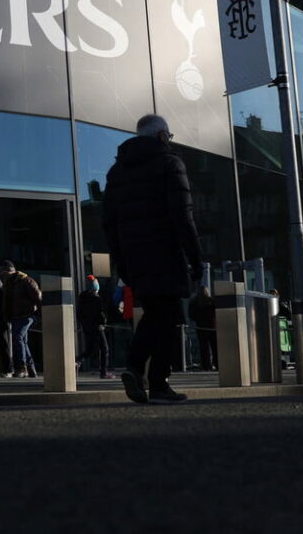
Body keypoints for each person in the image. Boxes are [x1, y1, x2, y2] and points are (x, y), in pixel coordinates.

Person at [101, 114, 203, 405]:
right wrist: (196, 258)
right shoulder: (170, 164)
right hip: (166, 253)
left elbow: (109, 223)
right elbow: (183, 216)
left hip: (134, 258)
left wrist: (121, 261)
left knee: (156, 314)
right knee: (167, 316)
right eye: (169, 136)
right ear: (161, 136)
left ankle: (138, 370)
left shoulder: (116, 172)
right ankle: (156, 382)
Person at [0, 260, 41, 377]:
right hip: (16, 316)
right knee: (23, 341)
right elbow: (7, 302)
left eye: (4, 273)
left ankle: (22, 368)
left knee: (17, 337)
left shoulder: (26, 280)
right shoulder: (9, 283)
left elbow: (38, 297)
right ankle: (31, 368)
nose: (3, 276)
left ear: (10, 271)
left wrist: (37, 316)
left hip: (27, 315)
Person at [78, 275, 114, 379]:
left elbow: (79, 314)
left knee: (90, 349)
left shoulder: (82, 297)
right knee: (104, 348)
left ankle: (77, 360)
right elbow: (101, 313)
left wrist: (84, 323)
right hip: (98, 327)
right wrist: (104, 322)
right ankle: (104, 372)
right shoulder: (96, 298)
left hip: (87, 327)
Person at [187, 284, 216, 372]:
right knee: (214, 346)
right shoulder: (211, 301)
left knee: (203, 347)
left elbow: (191, 315)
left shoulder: (194, 302)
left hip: (200, 326)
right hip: (211, 326)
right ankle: (216, 364)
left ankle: (206, 365)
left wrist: (197, 320)